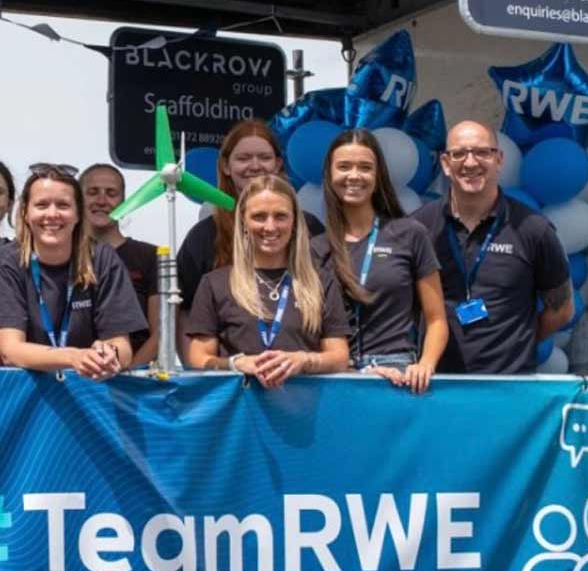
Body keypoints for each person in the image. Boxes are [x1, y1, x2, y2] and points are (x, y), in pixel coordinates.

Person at [410, 120, 573, 374]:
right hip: (438, 385)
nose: (471, 162)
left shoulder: (533, 228)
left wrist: (517, 344)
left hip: (508, 388)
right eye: (459, 154)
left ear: (499, 160)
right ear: (445, 163)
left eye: (482, 152)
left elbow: (561, 309)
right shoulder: (417, 227)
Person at [175, 120, 326, 362]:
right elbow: (183, 311)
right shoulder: (203, 236)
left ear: (277, 164)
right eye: (243, 158)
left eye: (264, 157)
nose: (254, 166)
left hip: (302, 378)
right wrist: (197, 373)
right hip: (230, 381)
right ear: (225, 166)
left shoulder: (309, 228)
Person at [0, 165, 146, 379]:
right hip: (28, 395)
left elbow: (122, 348)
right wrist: (73, 357)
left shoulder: (103, 259)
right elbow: (10, 351)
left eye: (63, 205)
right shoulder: (7, 261)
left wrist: (108, 355)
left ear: (78, 214)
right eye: (41, 205)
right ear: (25, 213)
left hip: (89, 390)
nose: (52, 214)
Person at [185, 176, 351, 387]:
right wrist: (236, 363)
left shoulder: (320, 282)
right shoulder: (214, 284)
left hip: (306, 411)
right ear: (244, 222)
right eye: (259, 217)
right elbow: (198, 357)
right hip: (240, 411)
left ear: (294, 223)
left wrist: (304, 360)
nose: (270, 226)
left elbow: (339, 357)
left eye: (280, 216)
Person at [317, 129, 449, 393]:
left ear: (378, 177)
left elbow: (436, 319)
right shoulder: (316, 247)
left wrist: (425, 364)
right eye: (344, 167)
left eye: (365, 167)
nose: (354, 175)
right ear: (330, 175)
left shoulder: (409, 234)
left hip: (398, 373)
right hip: (339, 375)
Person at [81, 163, 160, 365]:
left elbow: (161, 333)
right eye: (92, 192)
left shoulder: (151, 256)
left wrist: (128, 375)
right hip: (76, 375)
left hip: (134, 377)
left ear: (124, 201)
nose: (101, 200)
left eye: (111, 193)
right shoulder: (63, 255)